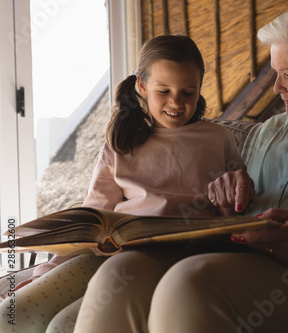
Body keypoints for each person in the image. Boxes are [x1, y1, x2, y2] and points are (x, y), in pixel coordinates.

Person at [73, 1, 288, 332]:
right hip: (248, 259)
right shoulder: (269, 130)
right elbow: (239, 207)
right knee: (118, 277)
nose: (277, 86)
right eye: (275, 73)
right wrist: (229, 197)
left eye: (287, 74)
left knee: (187, 282)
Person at [0, 34, 244, 333]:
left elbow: (235, 210)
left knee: (62, 327)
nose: (176, 103)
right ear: (141, 85)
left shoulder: (219, 140)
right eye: (163, 91)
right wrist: (45, 270)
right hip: (107, 255)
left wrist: (228, 208)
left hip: (172, 261)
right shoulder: (119, 145)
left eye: (188, 92)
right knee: (12, 313)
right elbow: (91, 222)